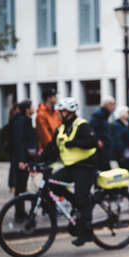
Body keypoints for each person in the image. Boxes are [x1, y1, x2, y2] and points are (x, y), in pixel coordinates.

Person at [40, 97, 99, 246]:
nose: (59, 114)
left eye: (62, 111)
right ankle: (76, 201)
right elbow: (51, 149)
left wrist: (74, 143)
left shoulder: (82, 125)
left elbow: (93, 142)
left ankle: (86, 232)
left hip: (86, 167)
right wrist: (35, 162)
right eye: (59, 111)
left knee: (82, 197)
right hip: (71, 167)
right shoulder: (61, 129)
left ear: (71, 113)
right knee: (52, 183)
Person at [11, 100, 37, 222]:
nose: (34, 108)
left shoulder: (26, 120)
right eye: (32, 106)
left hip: (26, 158)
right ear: (27, 109)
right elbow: (19, 141)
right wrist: (21, 160)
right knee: (20, 187)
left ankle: (21, 212)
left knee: (22, 186)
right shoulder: (20, 121)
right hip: (21, 160)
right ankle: (19, 214)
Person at [90, 96, 115, 171]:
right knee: (104, 169)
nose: (113, 107)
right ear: (106, 104)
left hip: (105, 147)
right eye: (112, 104)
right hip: (101, 149)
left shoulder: (105, 115)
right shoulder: (98, 115)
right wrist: (97, 140)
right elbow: (91, 129)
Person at [111, 106, 129, 175]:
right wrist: (121, 152)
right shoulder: (117, 125)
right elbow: (118, 139)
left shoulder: (128, 123)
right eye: (127, 113)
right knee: (124, 171)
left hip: (128, 150)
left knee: (128, 170)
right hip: (122, 152)